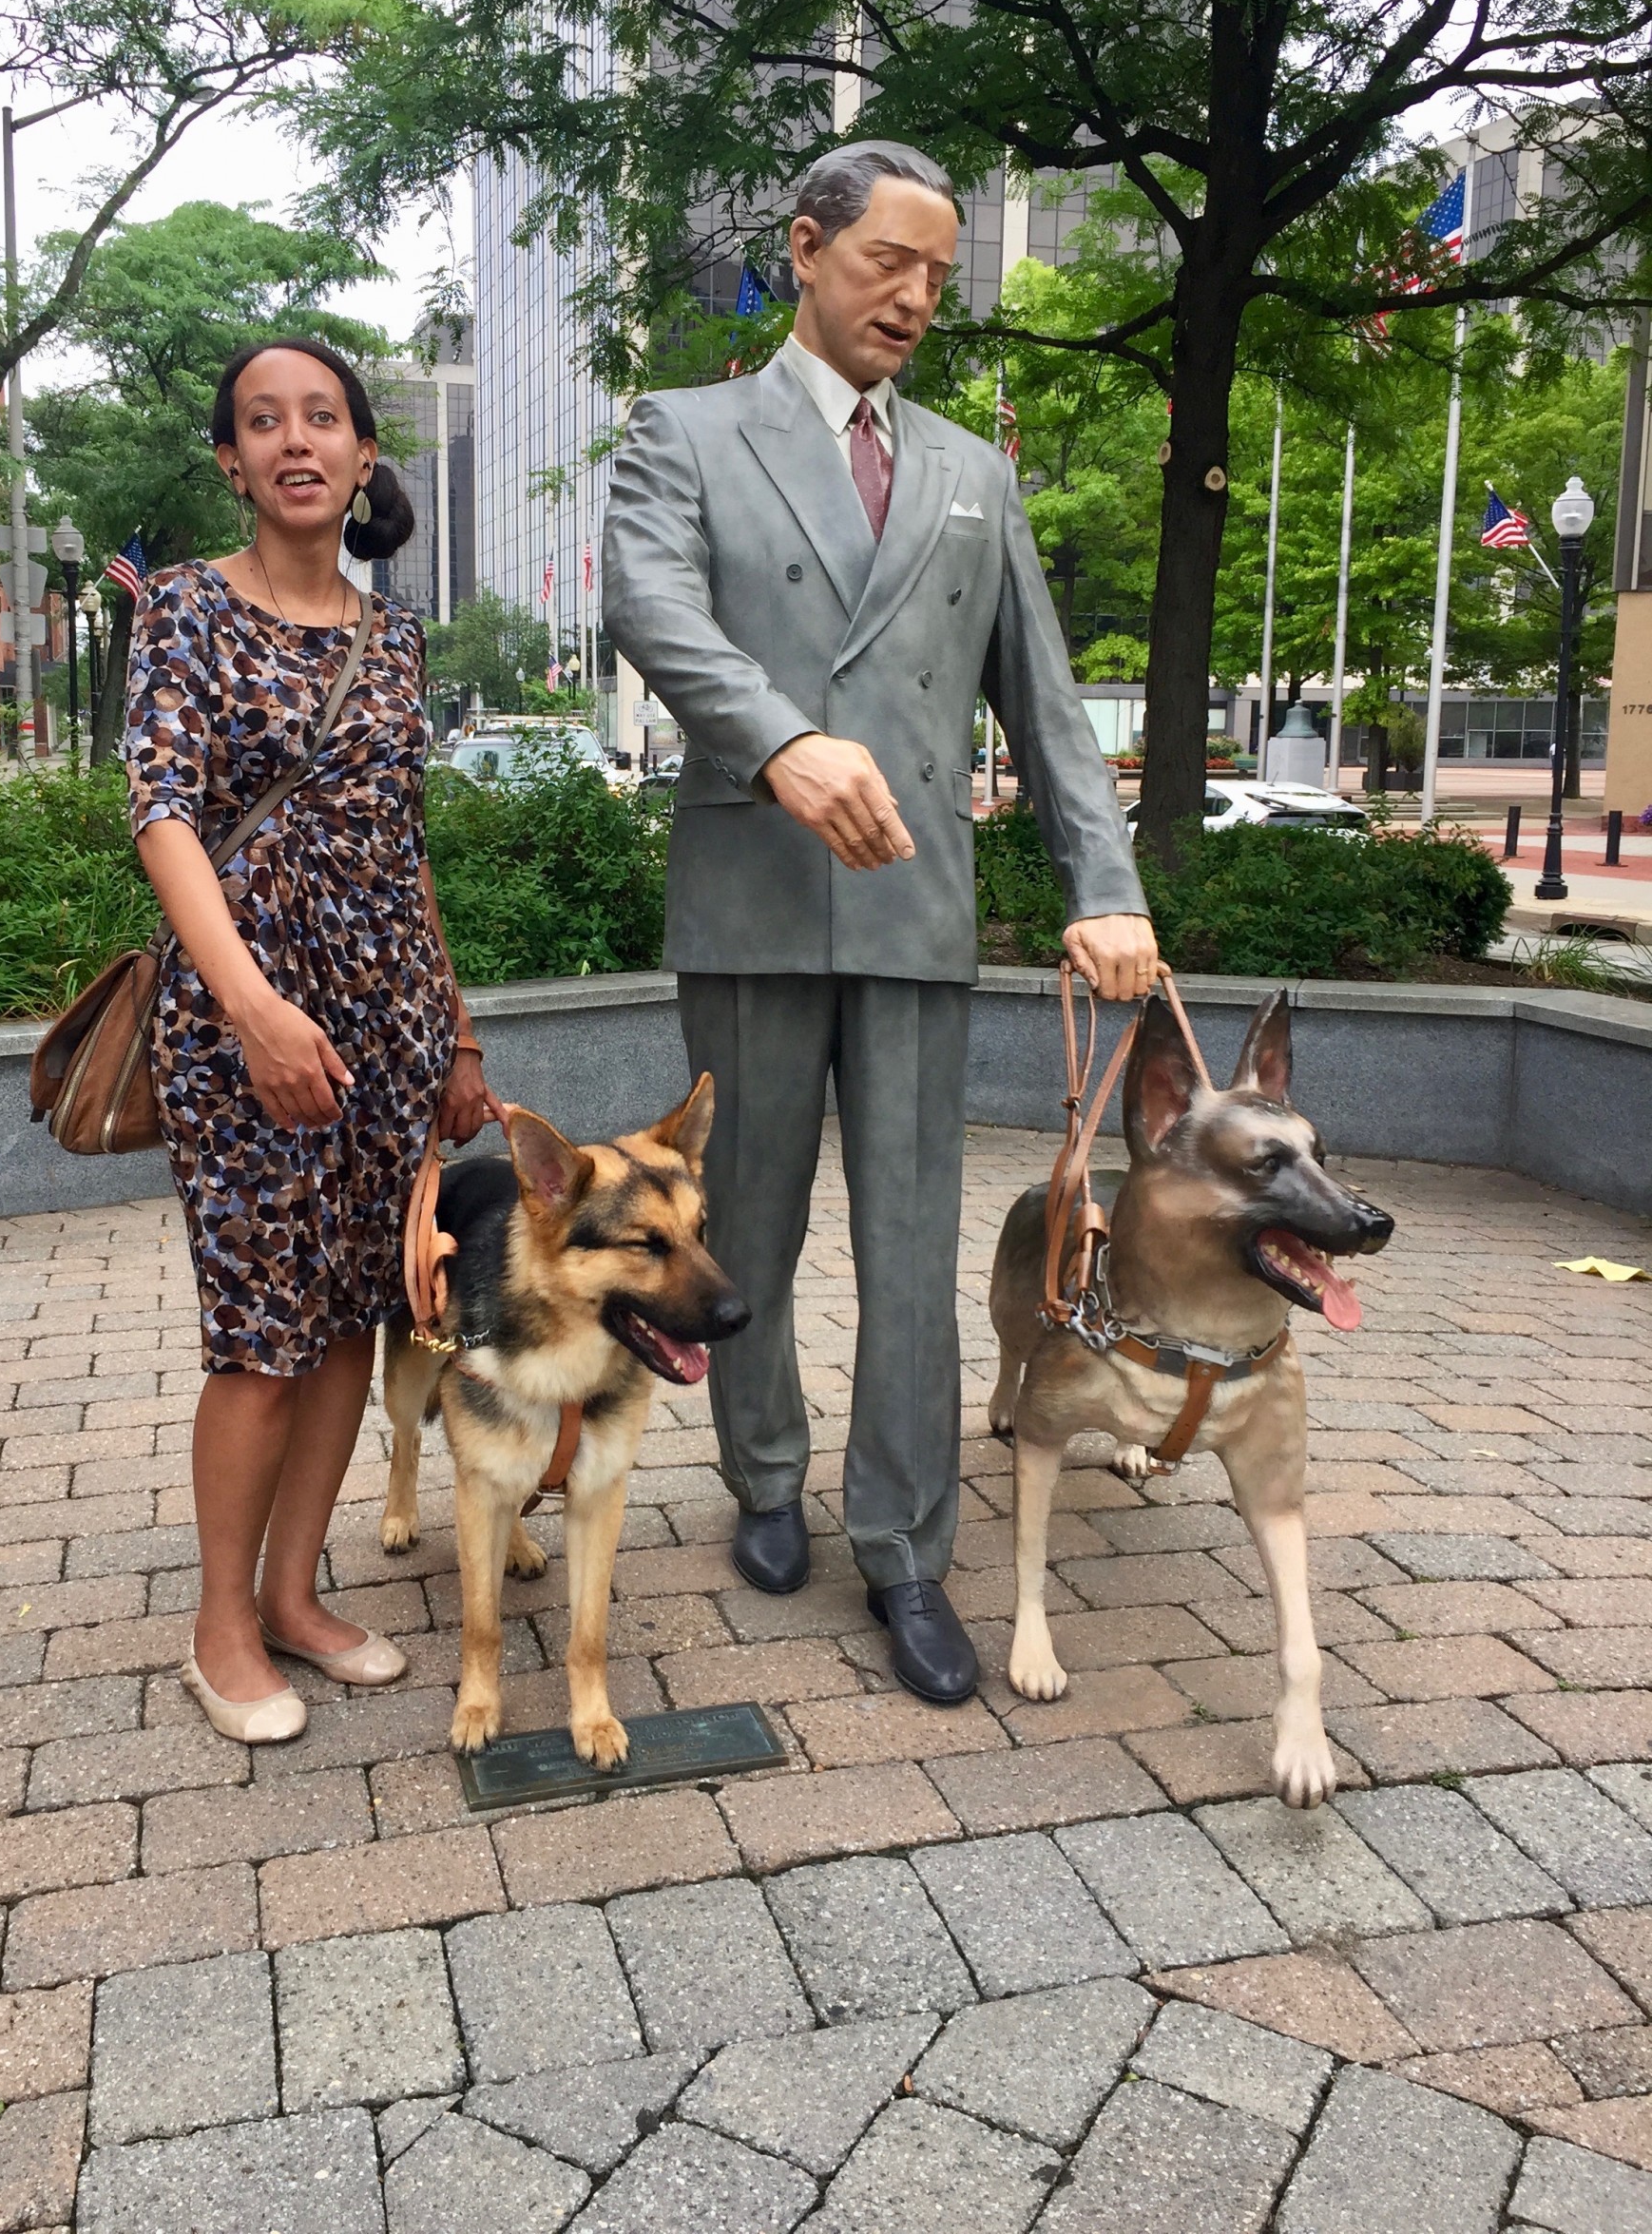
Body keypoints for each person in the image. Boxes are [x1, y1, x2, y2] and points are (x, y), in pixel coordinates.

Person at [603, 141, 1158, 1704]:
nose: (915, 297)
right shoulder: (685, 433)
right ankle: (765, 1475)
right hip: (754, 892)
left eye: (937, 273)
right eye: (884, 264)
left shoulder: (977, 475)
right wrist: (779, 742)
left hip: (916, 906)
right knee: (745, 1228)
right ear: (806, 250)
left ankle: (909, 1546)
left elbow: (1046, 714)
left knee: (914, 1247)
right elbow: (648, 606)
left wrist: (1105, 892)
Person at [124, 337, 502, 1744]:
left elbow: (402, 856)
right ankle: (220, 1623)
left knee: (354, 1318)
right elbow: (163, 814)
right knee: (262, 1339)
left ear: (360, 456)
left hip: (389, 1031)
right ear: (232, 461)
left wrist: (454, 1036)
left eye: (324, 419)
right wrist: (252, 1006)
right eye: (264, 422)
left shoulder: (395, 640)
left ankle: (295, 1592)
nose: (296, 440)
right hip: (244, 1033)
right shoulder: (181, 615)